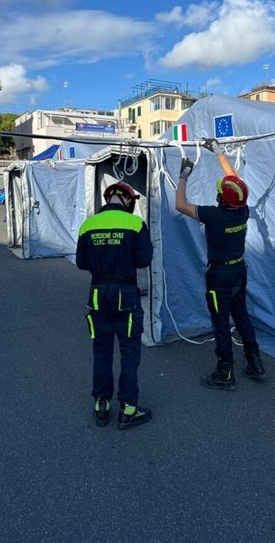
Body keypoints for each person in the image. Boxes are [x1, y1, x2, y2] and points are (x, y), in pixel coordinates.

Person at [175, 138, 265, 391]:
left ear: (221, 198)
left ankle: (224, 373)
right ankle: (255, 364)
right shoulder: (241, 210)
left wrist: (184, 175)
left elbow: (180, 204)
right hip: (239, 271)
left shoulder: (215, 215)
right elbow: (237, 184)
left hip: (219, 276)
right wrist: (219, 153)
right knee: (242, 316)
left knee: (221, 324)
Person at [76, 181, 154, 429]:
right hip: (126, 295)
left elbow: (81, 262)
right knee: (129, 353)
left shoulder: (88, 225)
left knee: (101, 350)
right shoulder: (135, 224)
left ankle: (102, 404)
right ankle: (129, 408)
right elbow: (144, 260)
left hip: (98, 295)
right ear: (128, 201)